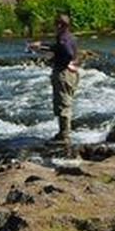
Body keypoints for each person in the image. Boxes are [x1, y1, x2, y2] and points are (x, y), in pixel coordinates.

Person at [28, 14, 79, 142]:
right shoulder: (69, 37)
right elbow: (58, 48)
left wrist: (63, 63)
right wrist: (41, 45)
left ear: (60, 25)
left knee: (63, 103)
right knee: (65, 102)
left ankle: (64, 135)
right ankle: (63, 133)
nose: (53, 27)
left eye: (55, 24)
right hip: (71, 73)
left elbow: (67, 52)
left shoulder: (63, 38)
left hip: (63, 73)